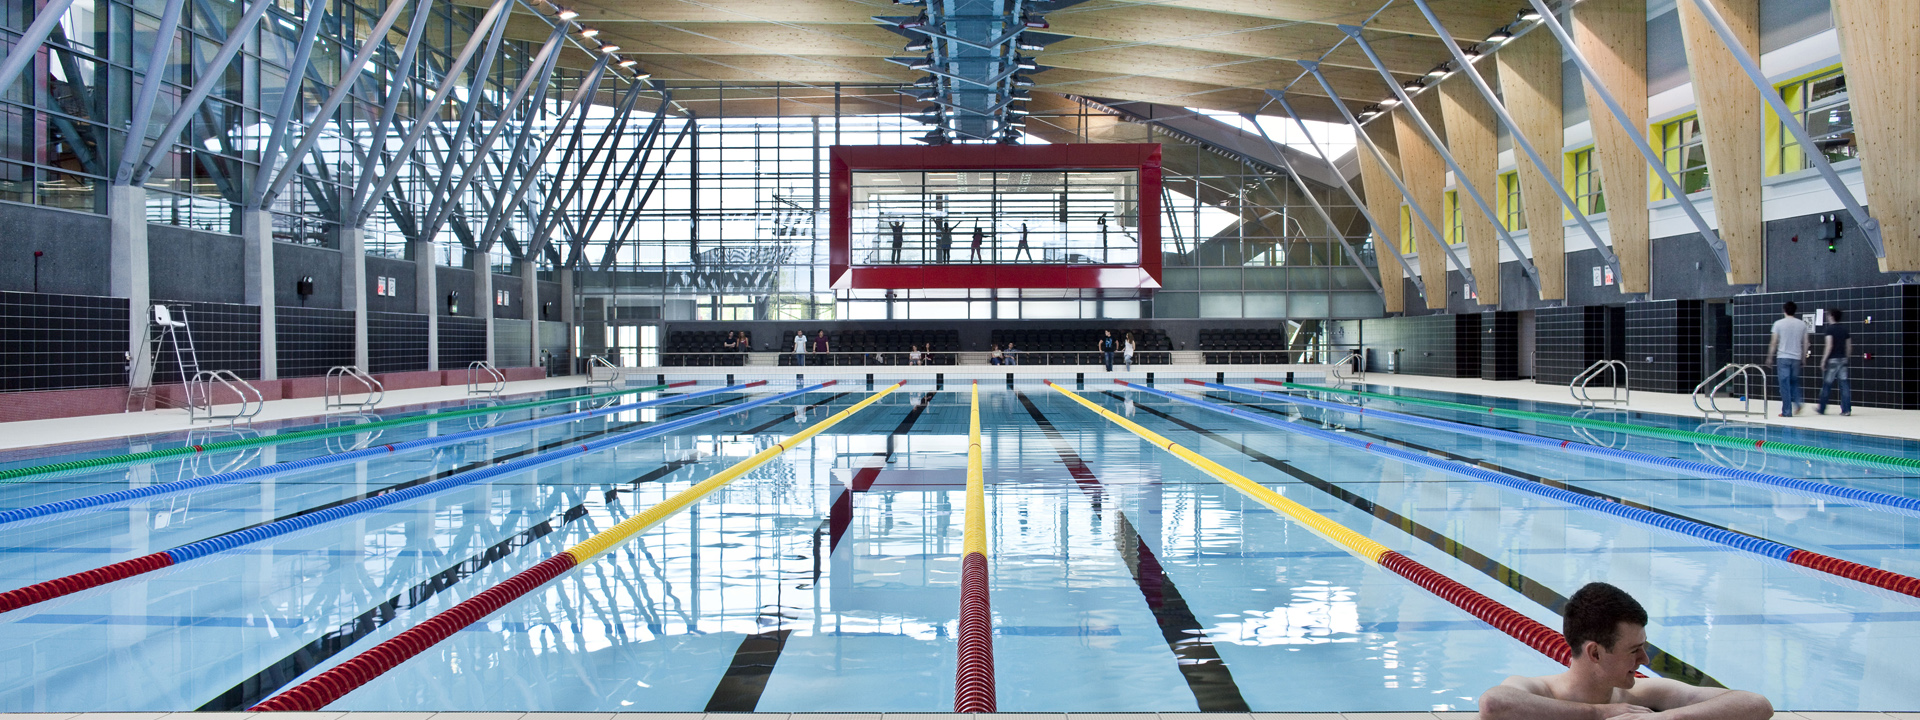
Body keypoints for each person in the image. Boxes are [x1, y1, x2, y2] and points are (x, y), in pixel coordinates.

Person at [1477, 582, 1771, 720]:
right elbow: (1493, 704)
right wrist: (1599, 714)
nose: (1645, 660)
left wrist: (1666, 718)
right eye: (1634, 650)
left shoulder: (1641, 697)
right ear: (1595, 653)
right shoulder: (1538, 691)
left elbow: (1757, 705)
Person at [1765, 301, 1811, 417]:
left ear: (1784, 310)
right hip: (1796, 358)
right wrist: (1804, 358)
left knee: (1784, 384)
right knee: (1794, 382)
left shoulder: (1778, 324)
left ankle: (1787, 411)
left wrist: (1770, 357)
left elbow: (1774, 342)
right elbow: (1806, 342)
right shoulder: (1802, 324)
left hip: (1783, 357)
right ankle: (1798, 402)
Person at [1817, 308, 1851, 416]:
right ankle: (1846, 409)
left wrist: (1823, 359)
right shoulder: (1845, 330)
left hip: (1833, 360)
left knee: (1827, 384)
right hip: (1843, 359)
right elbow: (1849, 346)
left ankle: (1822, 408)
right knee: (1844, 384)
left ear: (1831, 316)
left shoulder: (1829, 330)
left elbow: (1829, 345)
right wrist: (1846, 357)